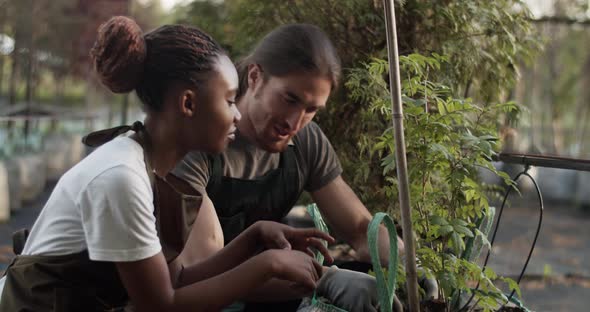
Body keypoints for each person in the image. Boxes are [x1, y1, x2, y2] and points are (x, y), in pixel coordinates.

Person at [0, 16, 335, 312]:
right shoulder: (122, 177)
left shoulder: (154, 172)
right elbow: (161, 304)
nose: (237, 114)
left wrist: (254, 237)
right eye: (230, 100)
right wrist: (268, 264)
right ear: (188, 103)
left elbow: (177, 280)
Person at [169, 23, 405, 311]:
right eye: (289, 99)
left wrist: (407, 267)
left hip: (274, 292)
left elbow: (359, 229)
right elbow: (204, 266)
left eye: (311, 109)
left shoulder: (305, 142)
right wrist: (326, 280)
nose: (295, 122)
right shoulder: (199, 145)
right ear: (255, 77)